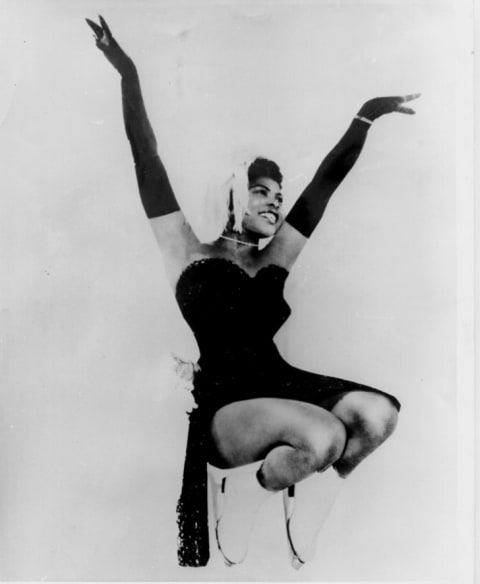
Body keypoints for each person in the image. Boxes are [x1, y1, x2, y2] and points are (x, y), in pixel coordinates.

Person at [86, 16, 419, 568]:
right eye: (262, 191)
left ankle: (306, 501)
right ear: (236, 194)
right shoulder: (185, 249)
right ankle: (240, 493)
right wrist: (128, 72)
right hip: (225, 403)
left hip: (278, 380)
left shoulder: (274, 258)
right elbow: (146, 157)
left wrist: (366, 116)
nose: (276, 201)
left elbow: (323, 186)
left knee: (378, 414)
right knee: (323, 436)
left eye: (278, 194)